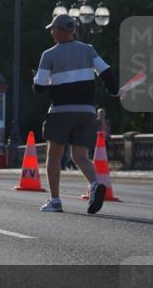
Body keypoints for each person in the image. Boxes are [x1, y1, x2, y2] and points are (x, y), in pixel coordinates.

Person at [32, 14, 119, 214]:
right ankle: (95, 184)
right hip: (86, 112)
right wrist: (114, 91)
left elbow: (40, 88)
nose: (51, 32)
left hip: (61, 112)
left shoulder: (49, 54)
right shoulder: (88, 50)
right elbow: (106, 72)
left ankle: (55, 201)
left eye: (52, 29)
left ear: (59, 31)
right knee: (81, 156)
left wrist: (36, 80)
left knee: (54, 156)